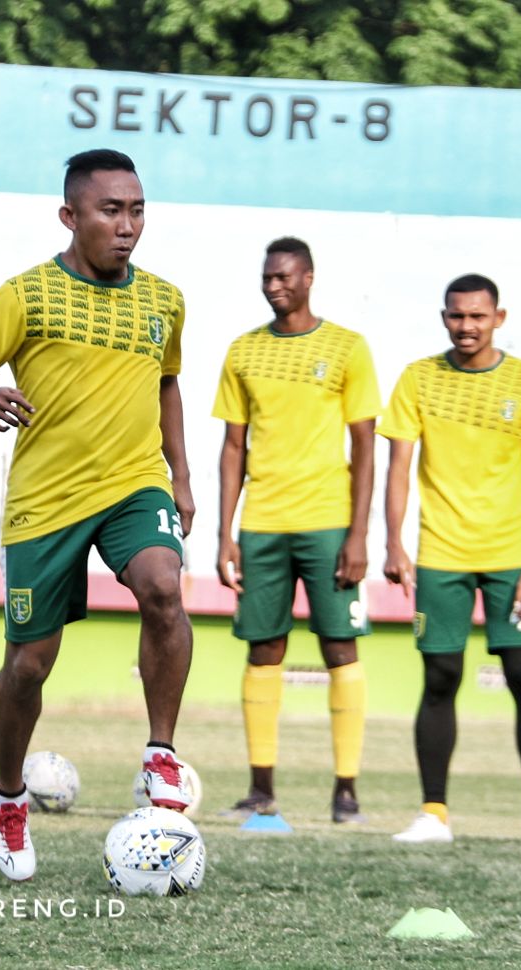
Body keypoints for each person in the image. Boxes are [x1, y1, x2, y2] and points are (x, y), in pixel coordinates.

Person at [0, 149, 195, 881]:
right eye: (111, 210)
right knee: (29, 665)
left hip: (132, 484)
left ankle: (160, 754)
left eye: (137, 209)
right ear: (70, 216)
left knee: (163, 587)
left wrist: (180, 475)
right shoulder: (26, 294)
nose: (127, 225)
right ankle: (10, 797)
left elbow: (167, 382)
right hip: (46, 503)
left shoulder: (165, 300)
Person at [382, 273, 521, 848]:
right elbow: (398, 466)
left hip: (511, 559)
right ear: (444, 317)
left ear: (499, 318)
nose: (466, 327)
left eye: (477, 316)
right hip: (441, 553)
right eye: (456, 316)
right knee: (440, 677)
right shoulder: (419, 377)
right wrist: (393, 541)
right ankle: (433, 814)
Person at [213, 237, 379, 824]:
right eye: (267, 277)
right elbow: (234, 446)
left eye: (284, 276)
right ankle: (261, 788)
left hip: (329, 523)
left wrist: (359, 535)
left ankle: (346, 790)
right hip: (262, 526)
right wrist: (224, 534)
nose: (273, 285)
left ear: (308, 277)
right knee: (264, 648)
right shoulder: (243, 351)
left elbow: (365, 445)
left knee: (340, 649)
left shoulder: (347, 348)